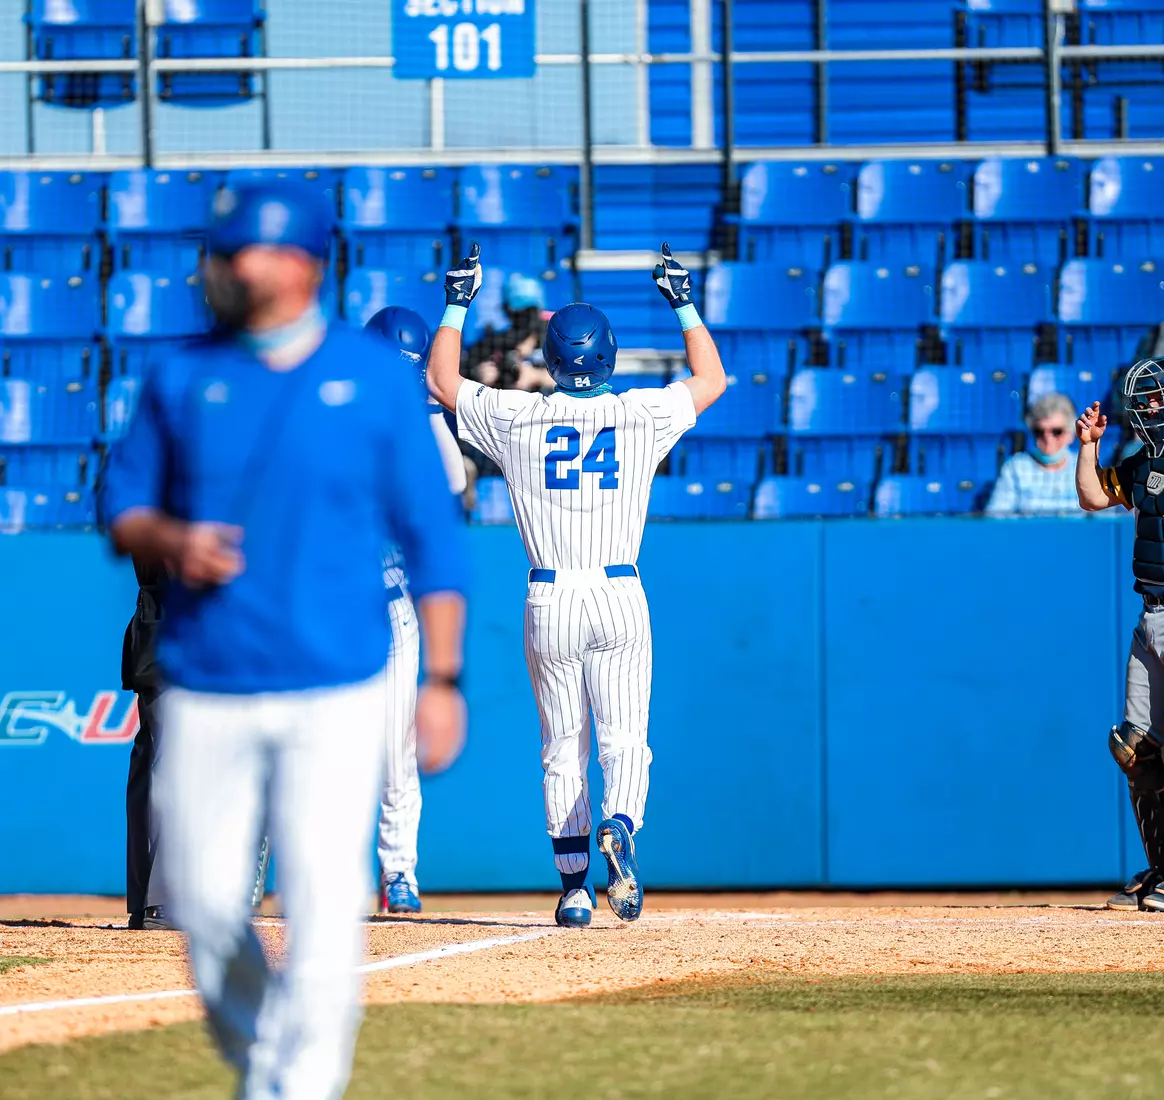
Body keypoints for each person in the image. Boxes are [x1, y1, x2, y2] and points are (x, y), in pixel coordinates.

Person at [101, 181, 470, 1099]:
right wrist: (171, 538)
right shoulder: (183, 376)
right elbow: (120, 509)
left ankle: (295, 1090)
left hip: (334, 684)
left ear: (301, 262)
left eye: (244, 252)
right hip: (206, 681)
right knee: (207, 912)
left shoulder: (374, 378)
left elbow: (435, 538)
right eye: (221, 253)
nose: (225, 269)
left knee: (320, 904)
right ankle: (271, 1062)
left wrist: (445, 679)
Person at [427, 241, 725, 928]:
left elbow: (443, 382)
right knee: (624, 738)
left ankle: (573, 888)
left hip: (549, 595)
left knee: (563, 744)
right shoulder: (642, 415)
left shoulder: (519, 416)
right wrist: (682, 302)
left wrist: (457, 300)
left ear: (555, 362)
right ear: (609, 358)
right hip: (618, 589)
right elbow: (711, 380)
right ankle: (620, 823)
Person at [363, 305, 467, 915]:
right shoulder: (335, 408)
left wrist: (425, 408)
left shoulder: (416, 421)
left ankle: (399, 872)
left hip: (394, 605)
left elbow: (453, 482)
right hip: (332, 608)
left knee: (397, 751)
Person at [1075, 358, 1164, 912]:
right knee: (1136, 746)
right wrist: (1088, 444)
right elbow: (1091, 497)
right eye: (1147, 400)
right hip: (1151, 612)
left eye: (1158, 398)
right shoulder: (1139, 466)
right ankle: (1161, 870)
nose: (1151, 407)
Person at [122, 557, 172, 930]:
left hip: (158, 628)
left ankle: (146, 903)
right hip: (178, 634)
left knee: (153, 762)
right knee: (175, 765)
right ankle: (161, 900)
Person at [985, 392, 1079, 516]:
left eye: (1057, 432)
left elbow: (1104, 519)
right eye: (1039, 431)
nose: (1048, 438)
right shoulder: (1015, 468)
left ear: (1070, 434)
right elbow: (995, 518)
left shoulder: (1087, 467)